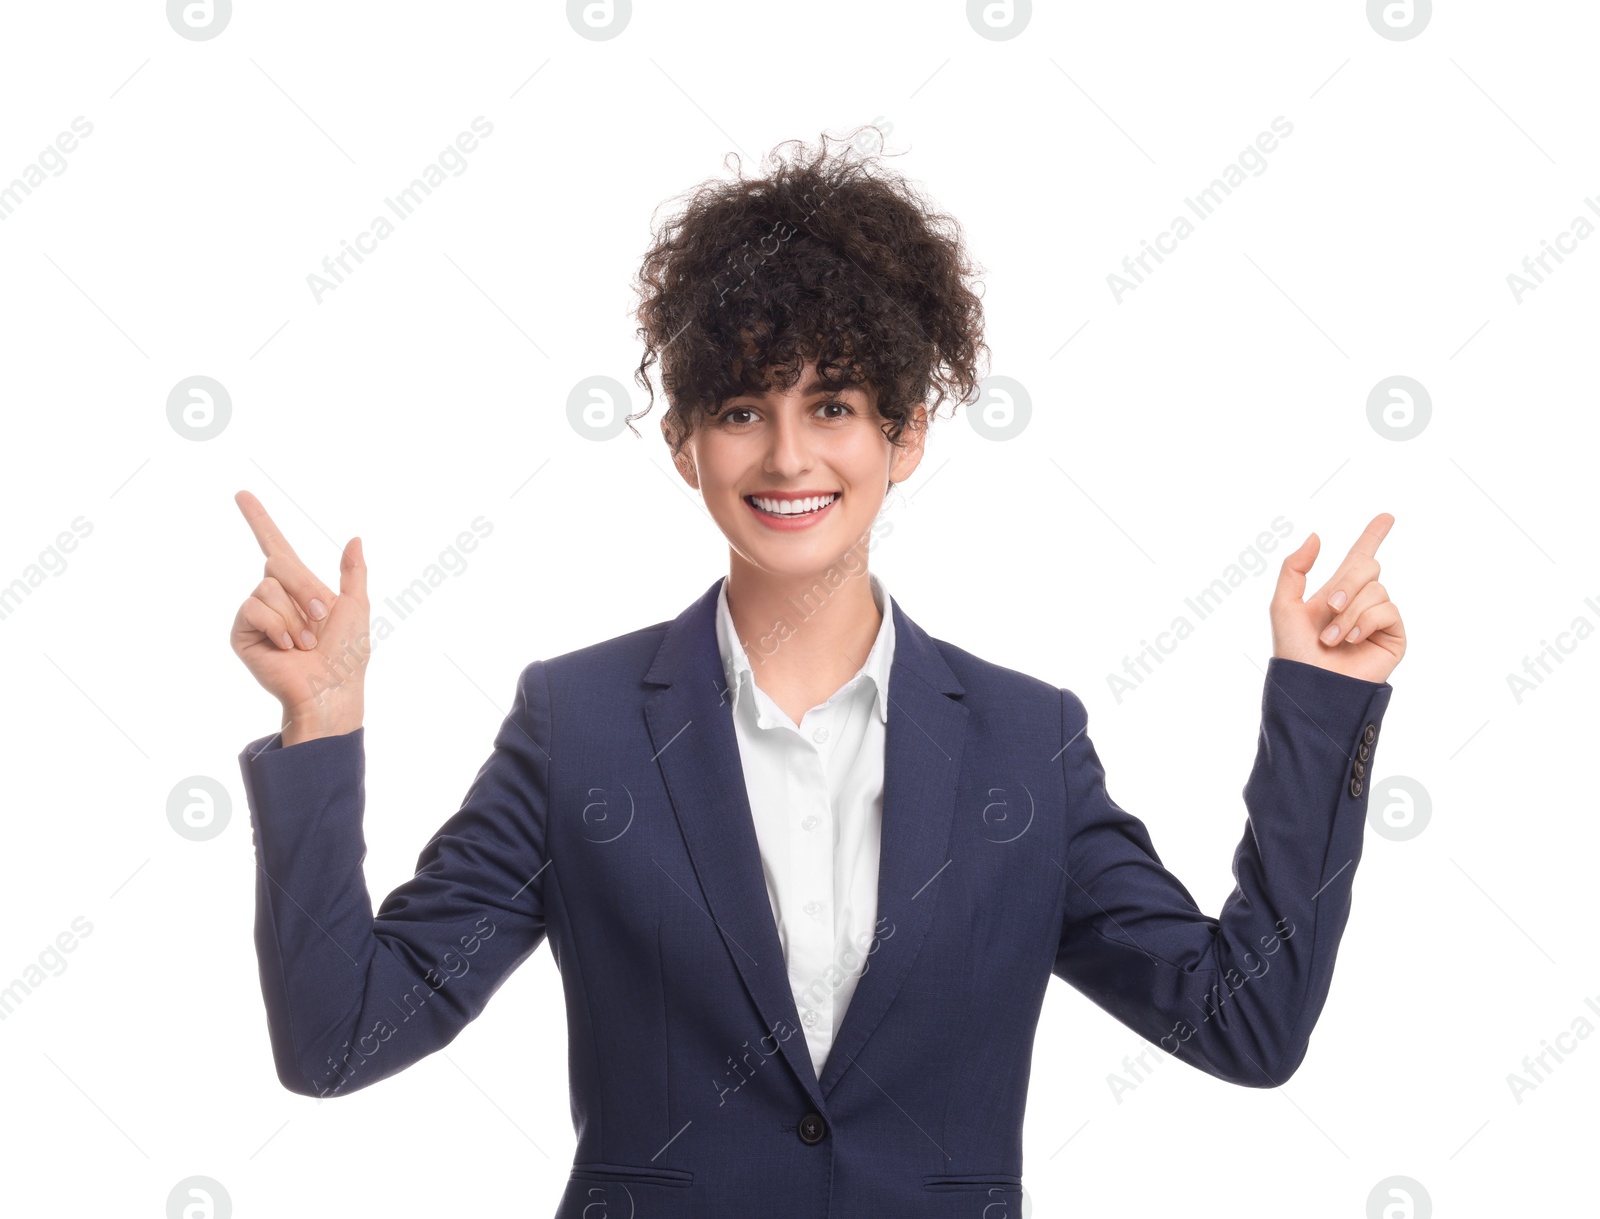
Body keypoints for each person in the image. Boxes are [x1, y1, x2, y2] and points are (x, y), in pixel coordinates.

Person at [230, 129, 1405, 1218]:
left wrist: (1320, 708)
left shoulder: (1023, 742)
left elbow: (1245, 1025)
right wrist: (322, 723)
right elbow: (341, 1038)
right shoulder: (576, 725)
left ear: (904, 435)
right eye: (743, 408)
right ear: (683, 442)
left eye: (833, 405)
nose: (788, 455)